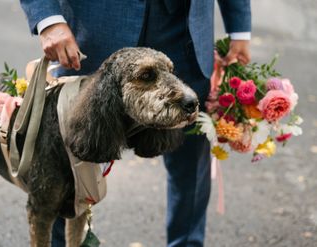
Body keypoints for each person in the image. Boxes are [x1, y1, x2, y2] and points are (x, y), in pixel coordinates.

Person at [20, 1, 251, 246]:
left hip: (183, 35)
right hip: (93, 34)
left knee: (191, 168)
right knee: (60, 169)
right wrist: (48, 18)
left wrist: (239, 29)